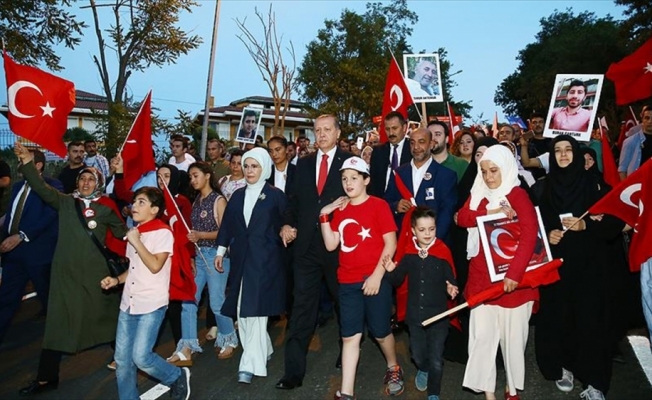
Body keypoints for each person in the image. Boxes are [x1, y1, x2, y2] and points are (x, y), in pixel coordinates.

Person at [13, 142, 128, 396]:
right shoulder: (65, 203)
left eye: (91, 178)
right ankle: (46, 378)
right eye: (82, 179)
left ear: (97, 182)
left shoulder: (107, 207)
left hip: (98, 279)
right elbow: (41, 188)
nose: (86, 182)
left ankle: (125, 356)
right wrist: (27, 162)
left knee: (108, 321)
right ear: (77, 183)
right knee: (57, 325)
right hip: (66, 277)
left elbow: (124, 237)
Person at [532, 135, 625, 400]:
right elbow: (534, 225)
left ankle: (595, 382)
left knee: (590, 322)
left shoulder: (595, 185)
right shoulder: (542, 188)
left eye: (568, 150)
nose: (563, 155)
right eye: (558, 151)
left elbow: (616, 221)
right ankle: (562, 367)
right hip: (556, 268)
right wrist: (548, 234)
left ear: (576, 153)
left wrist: (588, 226)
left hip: (590, 268)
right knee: (559, 319)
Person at [276, 114, 353, 390]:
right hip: (306, 247)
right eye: (317, 130)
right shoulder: (303, 164)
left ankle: (349, 354)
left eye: (327, 130)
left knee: (343, 303)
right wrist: (287, 223)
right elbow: (292, 201)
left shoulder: (350, 163)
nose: (321, 135)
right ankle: (292, 373)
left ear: (337, 132)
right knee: (301, 308)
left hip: (338, 245)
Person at [458, 145, 539, 400]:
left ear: (505, 167)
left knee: (513, 342)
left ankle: (511, 390)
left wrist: (513, 274)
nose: (488, 177)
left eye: (494, 170)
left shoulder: (518, 195)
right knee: (481, 339)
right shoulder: (479, 193)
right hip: (482, 277)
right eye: (484, 171)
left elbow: (529, 237)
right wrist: (489, 213)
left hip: (514, 282)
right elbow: (461, 218)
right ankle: (489, 394)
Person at [319, 156, 402, 399]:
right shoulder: (341, 209)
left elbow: (391, 242)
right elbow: (332, 244)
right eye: (344, 179)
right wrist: (325, 214)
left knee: (380, 331)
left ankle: (393, 366)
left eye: (354, 178)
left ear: (366, 180)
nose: (348, 183)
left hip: (375, 278)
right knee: (349, 335)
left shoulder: (379, 205)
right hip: (347, 281)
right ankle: (346, 392)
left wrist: (377, 276)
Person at [100, 187, 191, 400]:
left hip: (152, 303)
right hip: (129, 303)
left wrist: (136, 241)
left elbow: (154, 265)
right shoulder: (136, 232)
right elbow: (133, 268)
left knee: (141, 357)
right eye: (134, 202)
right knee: (122, 360)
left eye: (141, 202)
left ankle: (176, 375)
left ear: (155, 209)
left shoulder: (162, 232)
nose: (134, 206)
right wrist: (116, 280)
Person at [215, 148, 287, 384]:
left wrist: (288, 230)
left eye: (254, 166)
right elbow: (227, 226)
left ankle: (250, 363)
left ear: (264, 167)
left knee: (255, 311)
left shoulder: (275, 195)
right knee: (241, 310)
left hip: (266, 261)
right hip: (240, 260)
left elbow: (287, 221)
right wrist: (221, 250)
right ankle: (263, 348)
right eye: (246, 166)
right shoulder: (237, 196)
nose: (249, 170)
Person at [383, 206, 458, 400]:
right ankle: (422, 368)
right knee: (417, 354)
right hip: (415, 316)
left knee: (436, 359)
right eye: (422, 229)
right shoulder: (409, 253)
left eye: (431, 229)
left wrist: (452, 288)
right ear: (414, 230)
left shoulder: (442, 251)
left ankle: (434, 393)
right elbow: (398, 281)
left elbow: (452, 279)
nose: (427, 234)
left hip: (438, 316)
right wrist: (391, 269)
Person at [0, 149, 62, 346]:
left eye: (23, 161)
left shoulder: (53, 185)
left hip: (38, 255)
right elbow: (12, 214)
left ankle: (60, 339)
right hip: (14, 254)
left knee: (48, 298)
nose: (18, 165)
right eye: (18, 161)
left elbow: (50, 216)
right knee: (6, 298)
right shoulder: (18, 187)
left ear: (38, 166)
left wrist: (22, 236)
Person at [180, 162, 238, 361]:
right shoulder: (197, 201)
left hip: (217, 256)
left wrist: (201, 234)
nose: (192, 180)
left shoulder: (218, 200)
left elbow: (226, 232)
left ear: (207, 175)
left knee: (216, 302)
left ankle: (229, 338)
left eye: (195, 175)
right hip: (199, 256)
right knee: (189, 300)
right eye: (190, 177)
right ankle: (187, 345)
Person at [384, 127, 458, 245]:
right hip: (404, 243)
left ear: (431, 144)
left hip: (435, 244)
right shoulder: (398, 173)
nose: (416, 147)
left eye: (421, 142)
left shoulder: (446, 175)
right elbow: (385, 203)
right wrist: (396, 206)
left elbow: (447, 213)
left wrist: (431, 242)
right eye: (412, 143)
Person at [369, 111, 412, 198]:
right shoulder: (378, 152)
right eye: (387, 129)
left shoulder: (412, 149)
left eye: (394, 128)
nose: (391, 133)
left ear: (404, 128)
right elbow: (373, 181)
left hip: (407, 202)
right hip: (382, 203)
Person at [619, 104, 652, 180]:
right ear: (642, 120)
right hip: (638, 185)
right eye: (647, 118)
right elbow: (622, 169)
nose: (650, 121)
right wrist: (627, 190)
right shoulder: (630, 141)